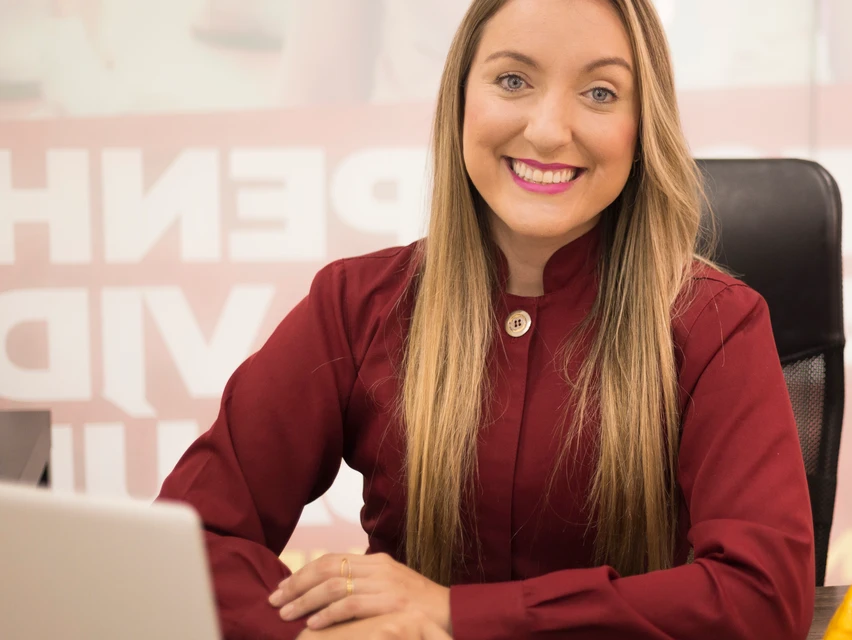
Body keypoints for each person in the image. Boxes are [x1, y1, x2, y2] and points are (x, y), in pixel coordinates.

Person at [156, 0, 815, 638]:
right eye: (513, 80)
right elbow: (189, 542)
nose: (549, 131)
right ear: (460, 100)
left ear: (643, 126)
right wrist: (310, 634)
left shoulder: (716, 323)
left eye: (600, 93)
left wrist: (455, 614)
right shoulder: (353, 304)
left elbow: (762, 597)